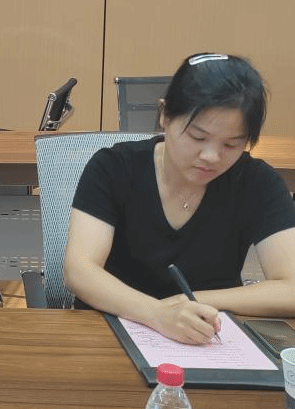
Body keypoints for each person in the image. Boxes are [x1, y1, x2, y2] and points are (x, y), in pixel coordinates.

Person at [64, 53, 295, 345]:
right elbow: (79, 271)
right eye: (197, 137)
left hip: (208, 340)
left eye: (231, 145)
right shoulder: (114, 168)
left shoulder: (256, 182)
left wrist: (193, 301)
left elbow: (291, 288)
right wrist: (157, 314)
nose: (211, 156)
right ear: (164, 114)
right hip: (110, 335)